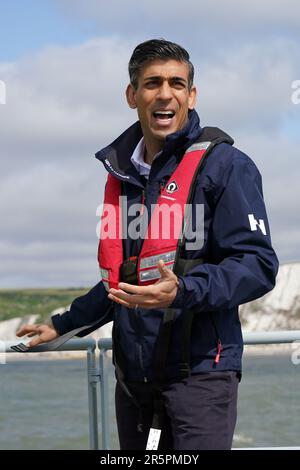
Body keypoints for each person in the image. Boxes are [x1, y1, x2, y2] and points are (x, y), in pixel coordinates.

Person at [17, 39, 279, 450]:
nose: (164, 93)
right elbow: (122, 280)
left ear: (191, 96)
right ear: (132, 95)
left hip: (201, 376)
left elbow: (258, 265)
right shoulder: (122, 177)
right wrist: (62, 325)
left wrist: (183, 290)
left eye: (177, 83)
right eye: (152, 82)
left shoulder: (228, 167)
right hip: (133, 380)